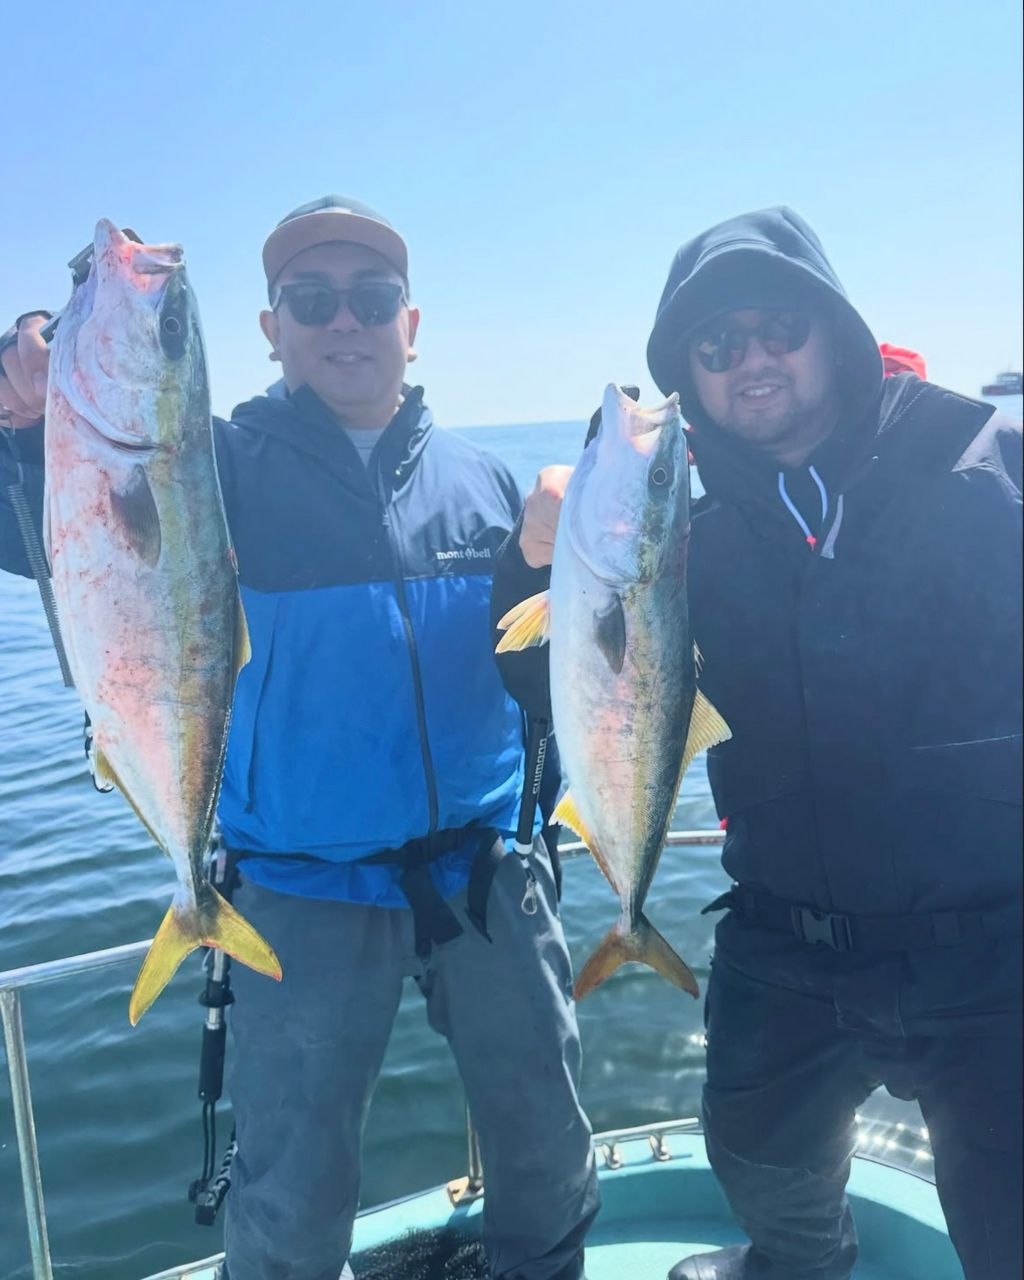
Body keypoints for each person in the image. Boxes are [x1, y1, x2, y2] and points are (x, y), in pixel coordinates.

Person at [0, 196, 598, 1280]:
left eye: (371, 299)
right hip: (296, 885)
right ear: (270, 328)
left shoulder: (488, 482)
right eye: (310, 299)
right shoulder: (209, 464)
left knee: (548, 1140)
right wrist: (21, 403)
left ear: (409, 324)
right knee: (291, 1182)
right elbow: (46, 523)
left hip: (488, 869)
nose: (344, 321)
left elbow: (543, 671)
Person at [493, 207, 1022, 1280]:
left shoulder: (989, 460)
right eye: (716, 345)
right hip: (786, 941)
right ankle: (794, 1261)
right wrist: (530, 561)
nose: (751, 358)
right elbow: (545, 688)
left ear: (834, 328)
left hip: (997, 947)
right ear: (690, 377)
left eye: (776, 324)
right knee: (753, 1145)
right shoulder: (689, 538)